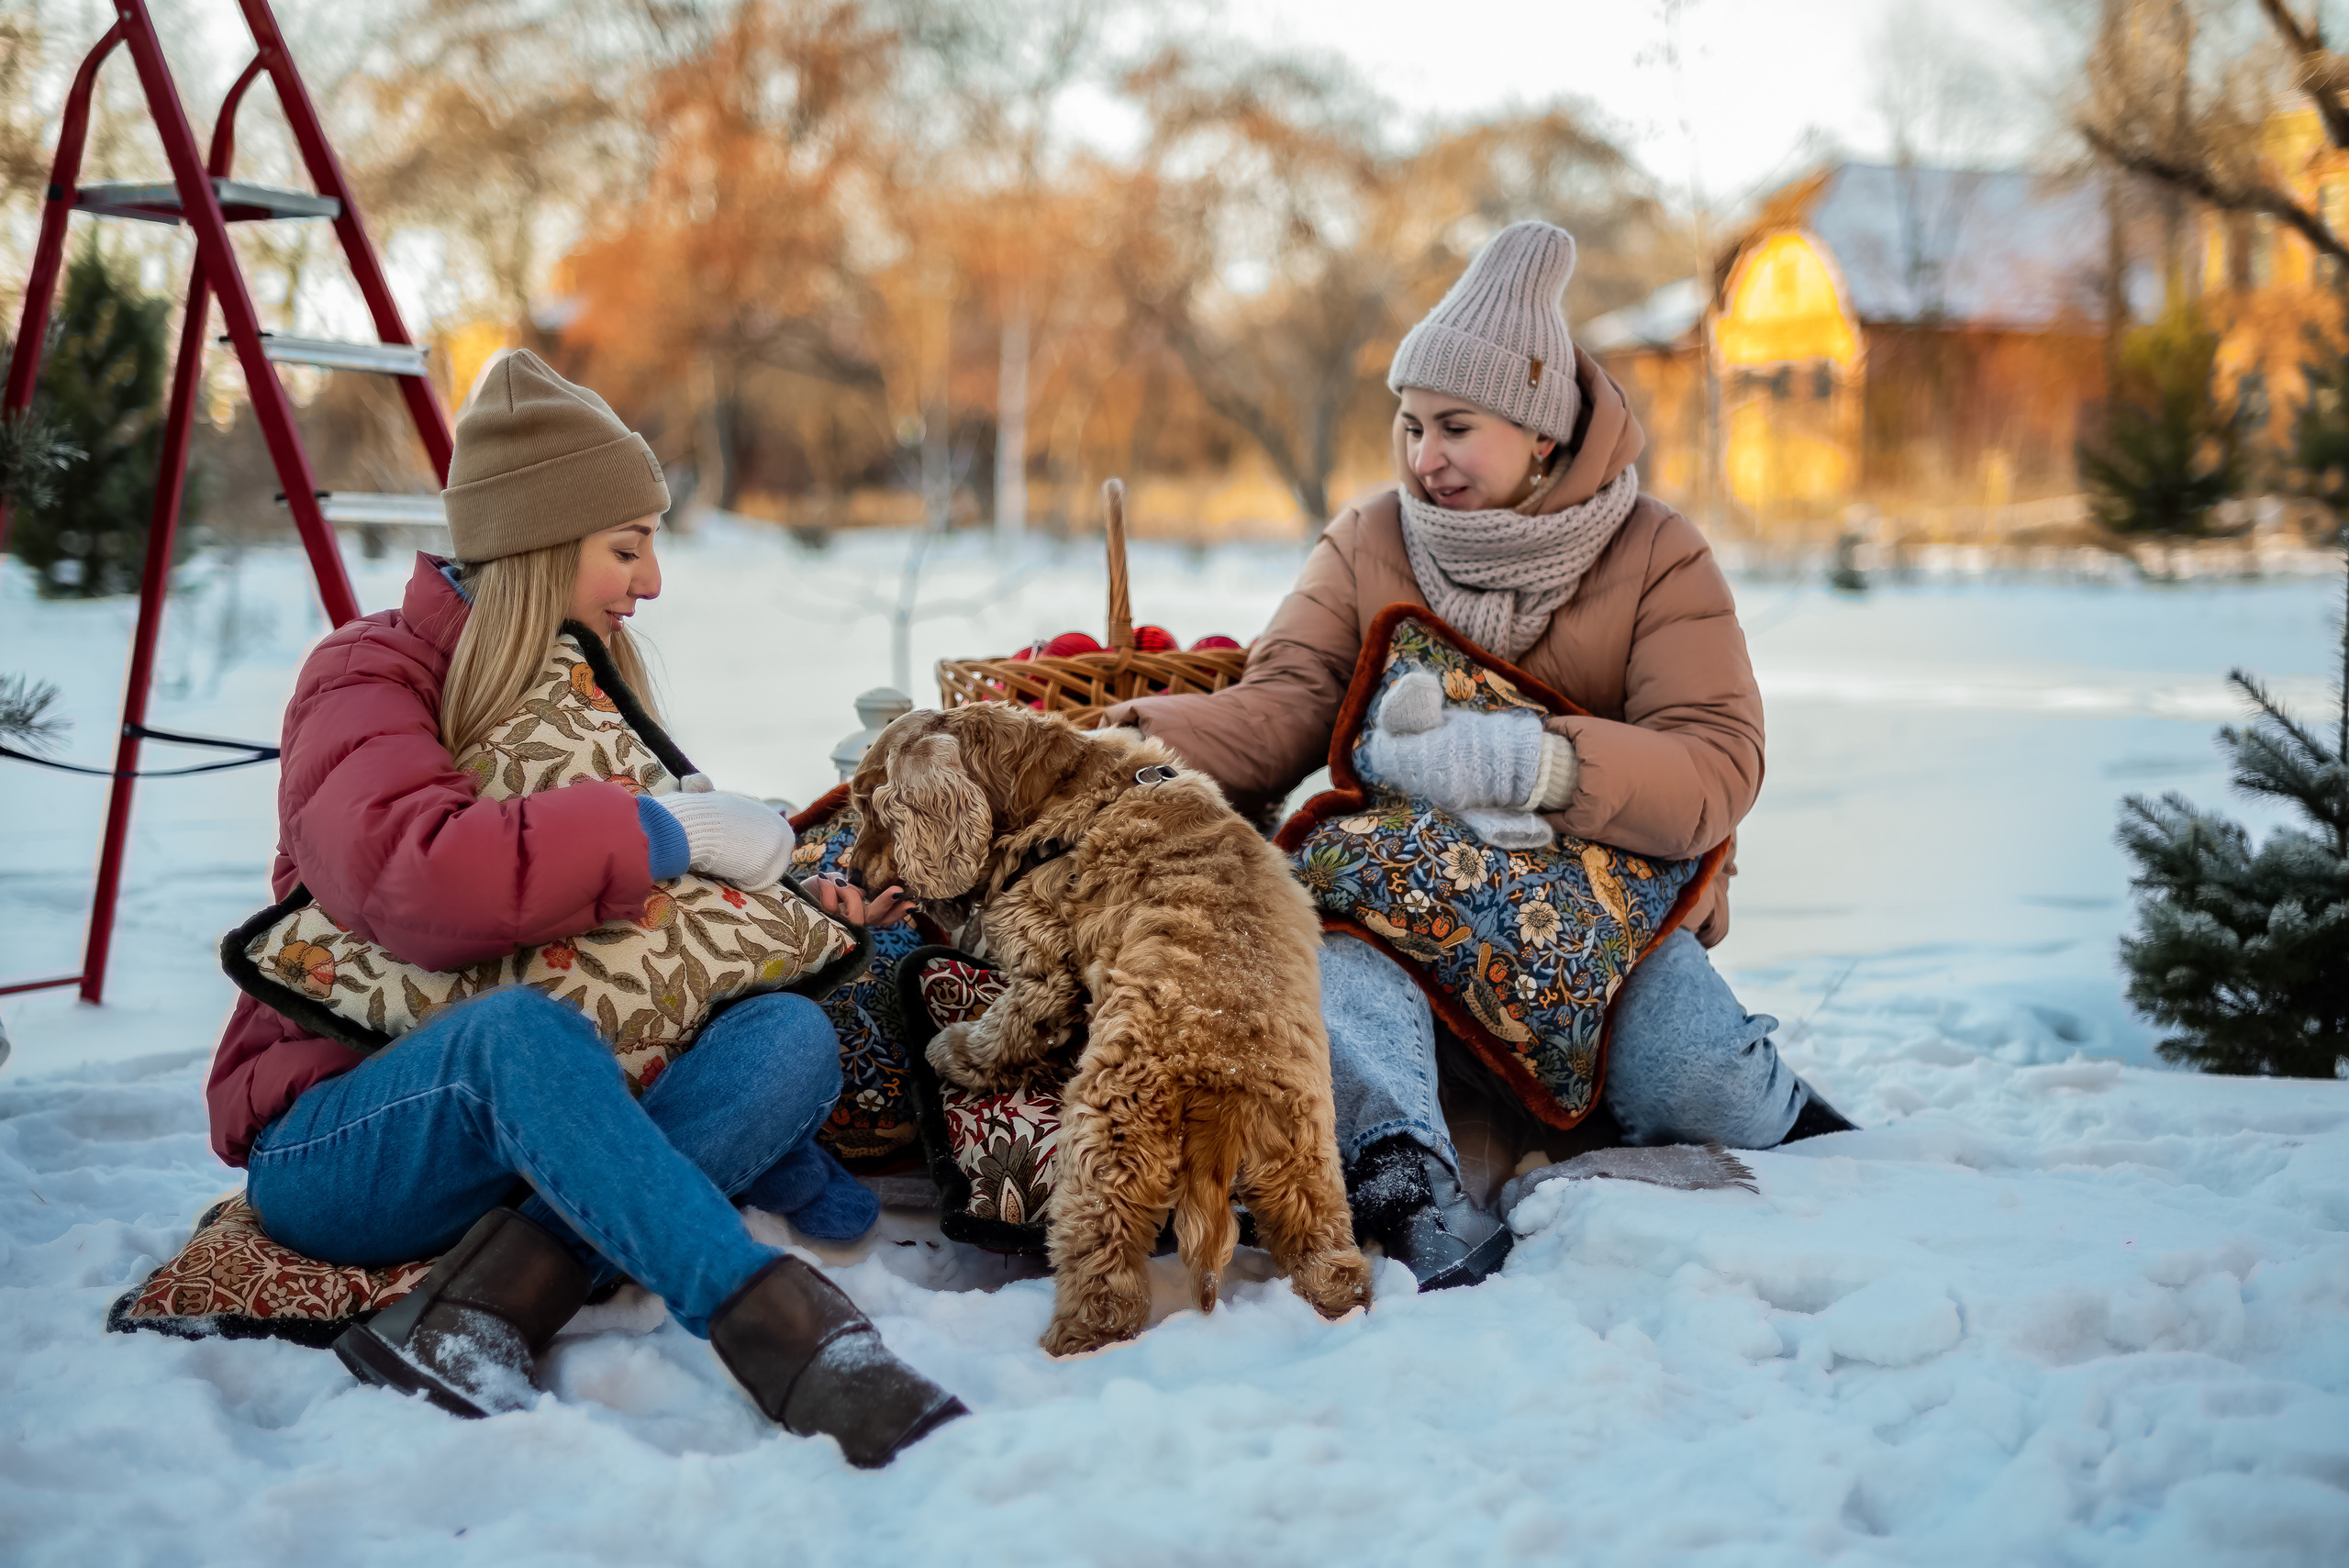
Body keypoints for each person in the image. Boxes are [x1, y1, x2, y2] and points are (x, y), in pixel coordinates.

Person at [207, 350, 964, 1465]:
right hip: (354, 1135)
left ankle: (489, 1303)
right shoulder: (367, 675)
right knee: (520, 1035)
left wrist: (785, 905)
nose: (651, 580)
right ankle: (789, 1339)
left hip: (542, 1128)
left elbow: (641, 933)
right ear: (537, 544)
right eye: (626, 546)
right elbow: (415, 879)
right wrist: (670, 830)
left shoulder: (584, 687)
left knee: (787, 1034)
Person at [1105, 222, 1854, 1293]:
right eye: (1410, 426)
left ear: (1542, 433)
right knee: (1338, 964)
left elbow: (1714, 762)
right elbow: (1284, 703)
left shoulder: (1656, 554)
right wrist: (1137, 741)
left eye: (1455, 426)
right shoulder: (1371, 539)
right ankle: (1406, 1183)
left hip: (1602, 924)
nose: (1423, 457)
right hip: (1405, 905)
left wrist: (1538, 767)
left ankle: (1778, 1105)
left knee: (1694, 1073)